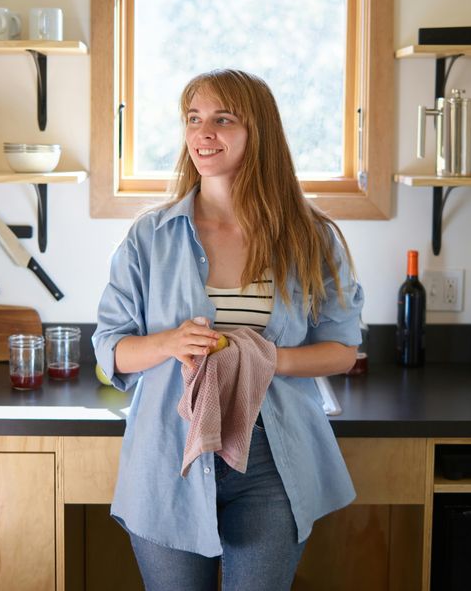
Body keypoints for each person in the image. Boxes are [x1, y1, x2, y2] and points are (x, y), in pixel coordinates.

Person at [93, 68, 364, 590]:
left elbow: (342, 350)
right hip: (169, 457)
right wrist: (169, 343)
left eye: (222, 119)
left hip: (272, 460)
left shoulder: (312, 237)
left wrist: (266, 357)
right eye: (193, 119)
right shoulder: (150, 236)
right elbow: (110, 349)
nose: (202, 133)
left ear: (257, 132)